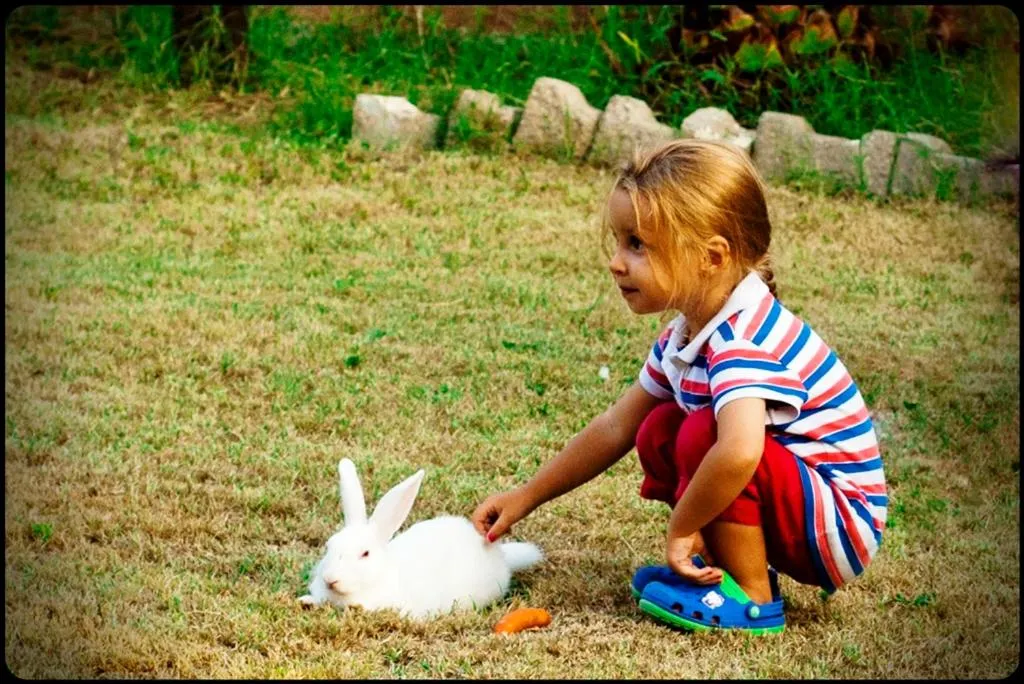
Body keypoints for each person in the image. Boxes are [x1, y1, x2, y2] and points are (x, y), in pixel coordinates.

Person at [470, 139, 887, 632]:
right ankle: (719, 572)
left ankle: (753, 598)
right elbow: (617, 426)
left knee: (704, 433)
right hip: (799, 507)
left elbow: (739, 454)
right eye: (619, 241)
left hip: (836, 527)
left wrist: (682, 525)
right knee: (659, 427)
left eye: (637, 244)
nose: (616, 262)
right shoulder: (686, 335)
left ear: (711, 256)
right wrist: (526, 495)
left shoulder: (742, 339)